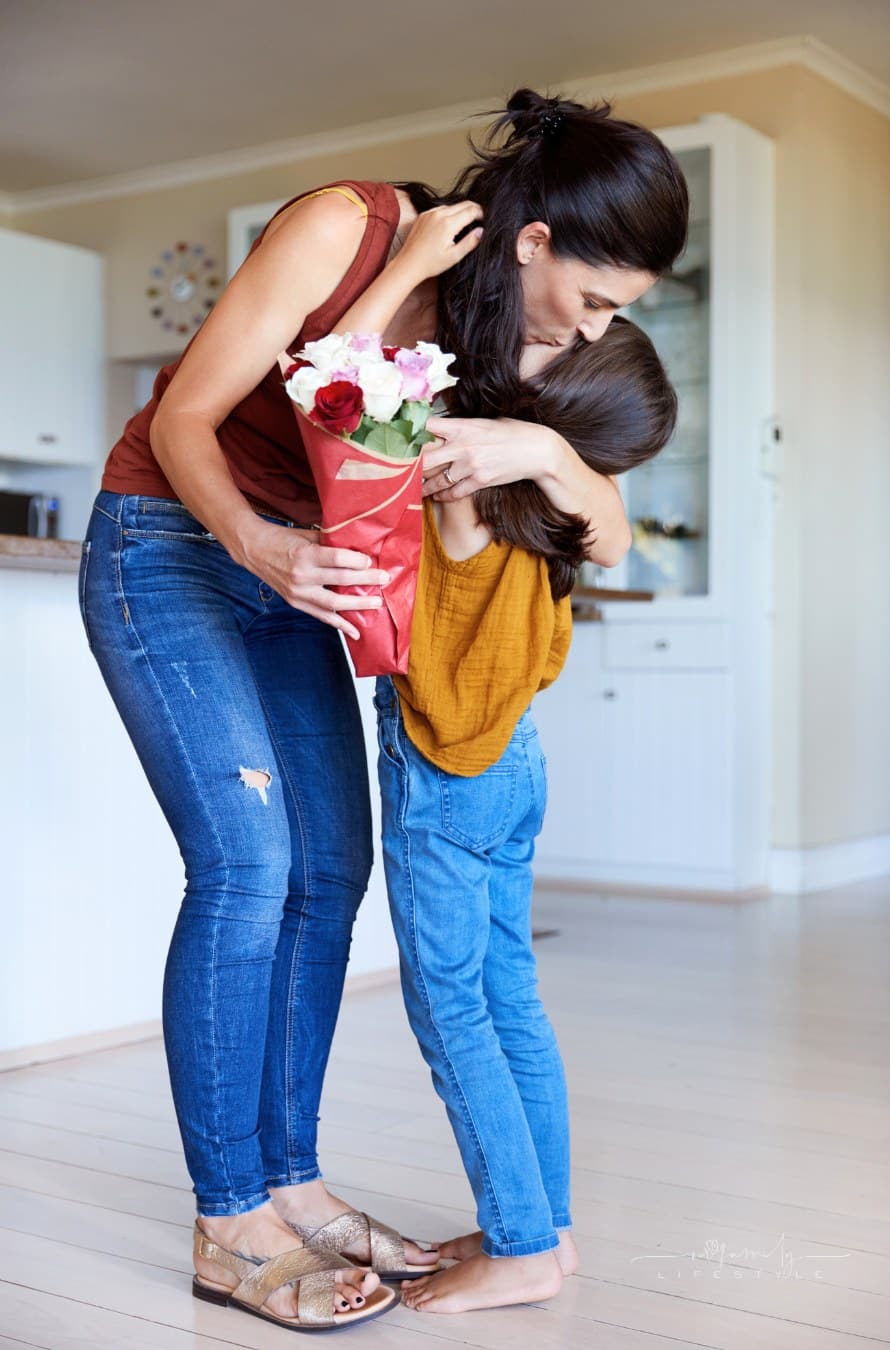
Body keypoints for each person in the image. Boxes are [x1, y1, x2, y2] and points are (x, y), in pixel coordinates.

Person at [78, 88, 688, 1332]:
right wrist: (255, 544)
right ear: (535, 244)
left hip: (293, 570)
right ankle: (228, 1213)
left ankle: (291, 1181)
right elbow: (188, 418)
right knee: (248, 870)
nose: (592, 334)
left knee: (331, 875)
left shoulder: (493, 330)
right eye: (597, 299)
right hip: (176, 545)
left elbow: (593, 529)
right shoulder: (344, 230)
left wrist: (556, 460)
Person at [322, 217, 676, 1313]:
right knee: (510, 998)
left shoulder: (464, 484)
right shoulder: (553, 511)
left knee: (453, 1013)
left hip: (446, 772)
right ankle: (545, 1229)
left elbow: (338, 385)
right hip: (516, 765)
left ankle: (520, 1248)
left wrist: (405, 272)